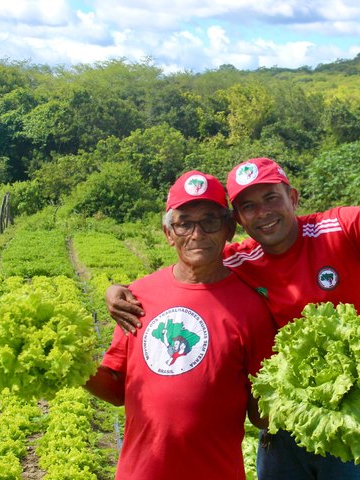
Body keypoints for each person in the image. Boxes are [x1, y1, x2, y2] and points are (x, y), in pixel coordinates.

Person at [106, 117, 360, 479]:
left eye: (270, 198)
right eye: (249, 207)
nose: (263, 213)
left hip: (350, 420)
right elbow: (188, 272)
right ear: (240, 222)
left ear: (292, 198)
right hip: (280, 431)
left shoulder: (339, 230)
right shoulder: (238, 259)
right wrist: (119, 291)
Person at [85, 170, 277, 480]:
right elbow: (117, 390)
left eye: (210, 221)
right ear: (168, 233)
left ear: (229, 229)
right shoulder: (138, 297)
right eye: (184, 223)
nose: (197, 234)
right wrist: (75, 367)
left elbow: (260, 414)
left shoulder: (252, 307)